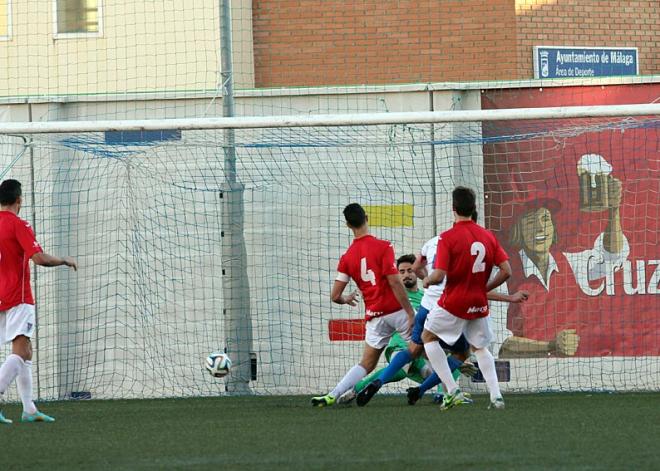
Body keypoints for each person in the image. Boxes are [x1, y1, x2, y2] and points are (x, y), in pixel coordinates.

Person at [356, 212, 528, 407]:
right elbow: (473, 286)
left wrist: (428, 280)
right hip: (449, 306)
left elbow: (419, 268)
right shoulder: (472, 242)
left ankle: (387, 383)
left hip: (427, 306)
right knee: (462, 353)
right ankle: (451, 392)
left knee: (417, 348)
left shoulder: (434, 242)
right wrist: (509, 297)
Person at [311, 203, 415, 407]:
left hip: (375, 316)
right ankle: (449, 391)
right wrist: (410, 313)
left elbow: (335, 295)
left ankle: (333, 394)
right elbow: (394, 281)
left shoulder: (347, 257)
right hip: (397, 311)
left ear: (348, 225)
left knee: (366, 363)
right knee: (427, 345)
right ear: (366, 217)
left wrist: (346, 299)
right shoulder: (384, 246)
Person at [422, 186, 511, 410]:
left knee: (428, 337)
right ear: (474, 208)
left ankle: (452, 391)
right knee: (480, 348)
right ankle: (496, 396)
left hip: (454, 302)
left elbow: (439, 274)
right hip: (478, 302)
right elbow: (506, 270)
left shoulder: (447, 238)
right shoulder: (487, 235)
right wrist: (483, 287)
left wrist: (427, 280)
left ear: (453, 209)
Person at [0, 179, 78, 424]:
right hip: (17, 295)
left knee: (26, 351)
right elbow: (39, 258)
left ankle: (29, 408)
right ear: (19, 200)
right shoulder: (18, 224)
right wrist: (64, 260)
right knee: (21, 351)